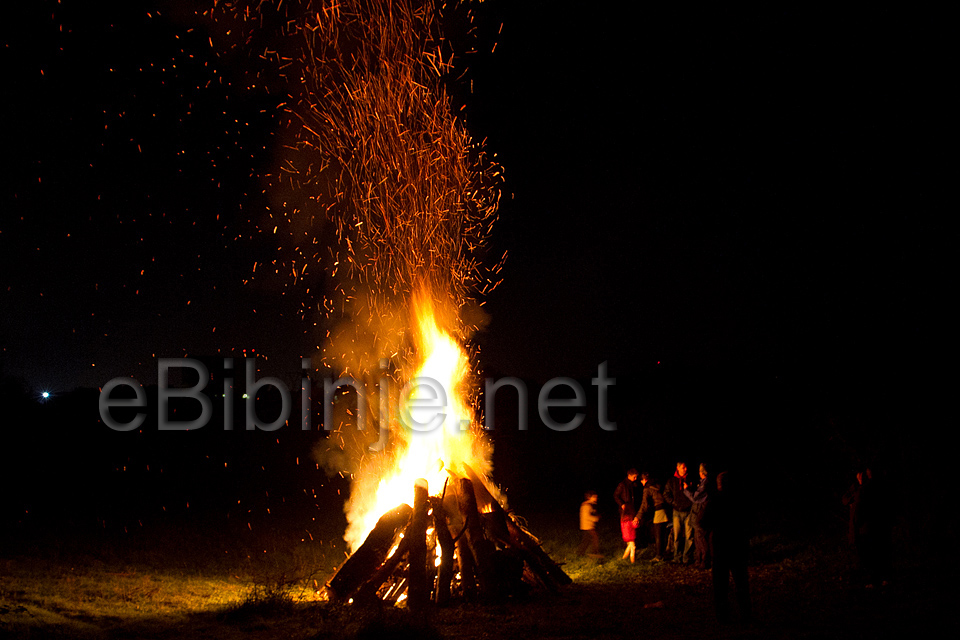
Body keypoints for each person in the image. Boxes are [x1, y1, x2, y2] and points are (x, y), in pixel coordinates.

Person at [702, 471, 750, 623]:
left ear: (719, 484)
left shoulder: (715, 501)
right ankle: (745, 614)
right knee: (741, 582)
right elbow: (749, 521)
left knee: (720, 585)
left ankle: (723, 616)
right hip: (737, 545)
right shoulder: (740, 500)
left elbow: (703, 522)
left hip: (720, 546)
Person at [664, 461, 695, 564]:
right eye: (683, 467)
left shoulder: (690, 479)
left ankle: (686, 557)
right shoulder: (672, 481)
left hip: (688, 511)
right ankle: (677, 557)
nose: (685, 469)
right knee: (676, 536)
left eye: (686, 467)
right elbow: (666, 494)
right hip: (677, 511)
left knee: (689, 536)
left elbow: (695, 494)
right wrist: (674, 503)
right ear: (678, 468)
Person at [685, 462, 712, 570]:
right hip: (698, 513)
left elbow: (696, 497)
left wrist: (686, 490)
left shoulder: (706, 484)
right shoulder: (703, 483)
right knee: (698, 537)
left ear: (702, 473)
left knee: (701, 538)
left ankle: (704, 561)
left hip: (701, 513)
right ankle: (698, 560)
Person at [638, 472, 668, 561]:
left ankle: (659, 556)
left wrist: (638, 516)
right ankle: (664, 552)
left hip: (659, 511)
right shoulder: (657, 485)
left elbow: (644, 504)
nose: (641, 483)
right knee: (663, 533)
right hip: (665, 509)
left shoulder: (647, 488)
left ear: (644, 480)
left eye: (641, 481)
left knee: (658, 534)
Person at [577, 491, 601, 557]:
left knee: (585, 540)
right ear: (589, 497)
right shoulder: (586, 505)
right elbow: (586, 516)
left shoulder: (591, 504)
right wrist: (595, 518)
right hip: (587, 526)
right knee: (595, 538)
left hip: (588, 526)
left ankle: (580, 553)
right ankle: (594, 553)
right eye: (594, 497)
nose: (596, 498)